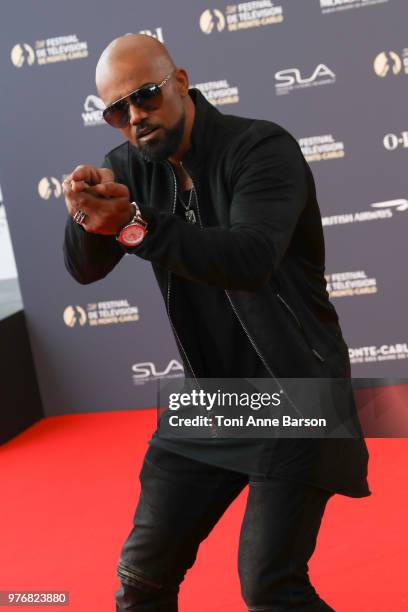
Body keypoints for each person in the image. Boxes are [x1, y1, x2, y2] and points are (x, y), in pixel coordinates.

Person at [63, 34, 370, 611]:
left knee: (269, 586)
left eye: (146, 96)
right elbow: (84, 271)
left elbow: (248, 260)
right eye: (115, 111)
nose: (134, 118)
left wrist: (135, 225)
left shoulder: (260, 148)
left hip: (298, 391)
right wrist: (82, 212)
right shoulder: (130, 166)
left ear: (180, 82)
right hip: (215, 399)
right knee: (141, 577)